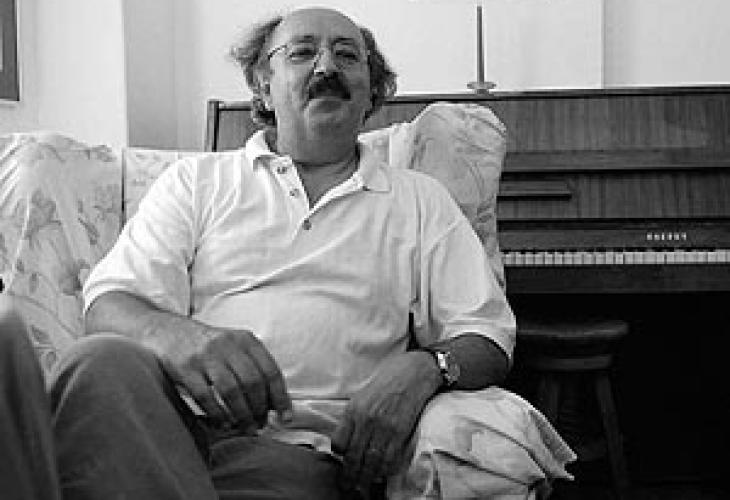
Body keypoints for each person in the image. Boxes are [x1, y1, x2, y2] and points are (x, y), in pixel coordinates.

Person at [2, 7, 572, 499]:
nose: (326, 67)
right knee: (99, 361)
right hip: (172, 427)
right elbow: (110, 303)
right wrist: (184, 339)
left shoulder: (418, 200)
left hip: (300, 453)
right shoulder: (197, 183)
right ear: (262, 87)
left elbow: (487, 334)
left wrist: (427, 367)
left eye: (347, 55)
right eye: (302, 53)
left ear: (372, 91)